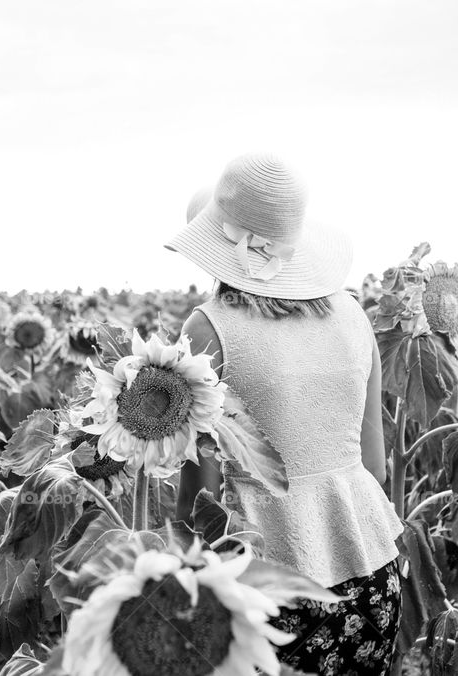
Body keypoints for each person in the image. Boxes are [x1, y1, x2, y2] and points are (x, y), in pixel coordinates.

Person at [167, 152, 406, 675]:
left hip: (263, 584)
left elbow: (201, 503)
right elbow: (377, 466)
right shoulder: (353, 315)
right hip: (369, 569)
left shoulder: (209, 329)